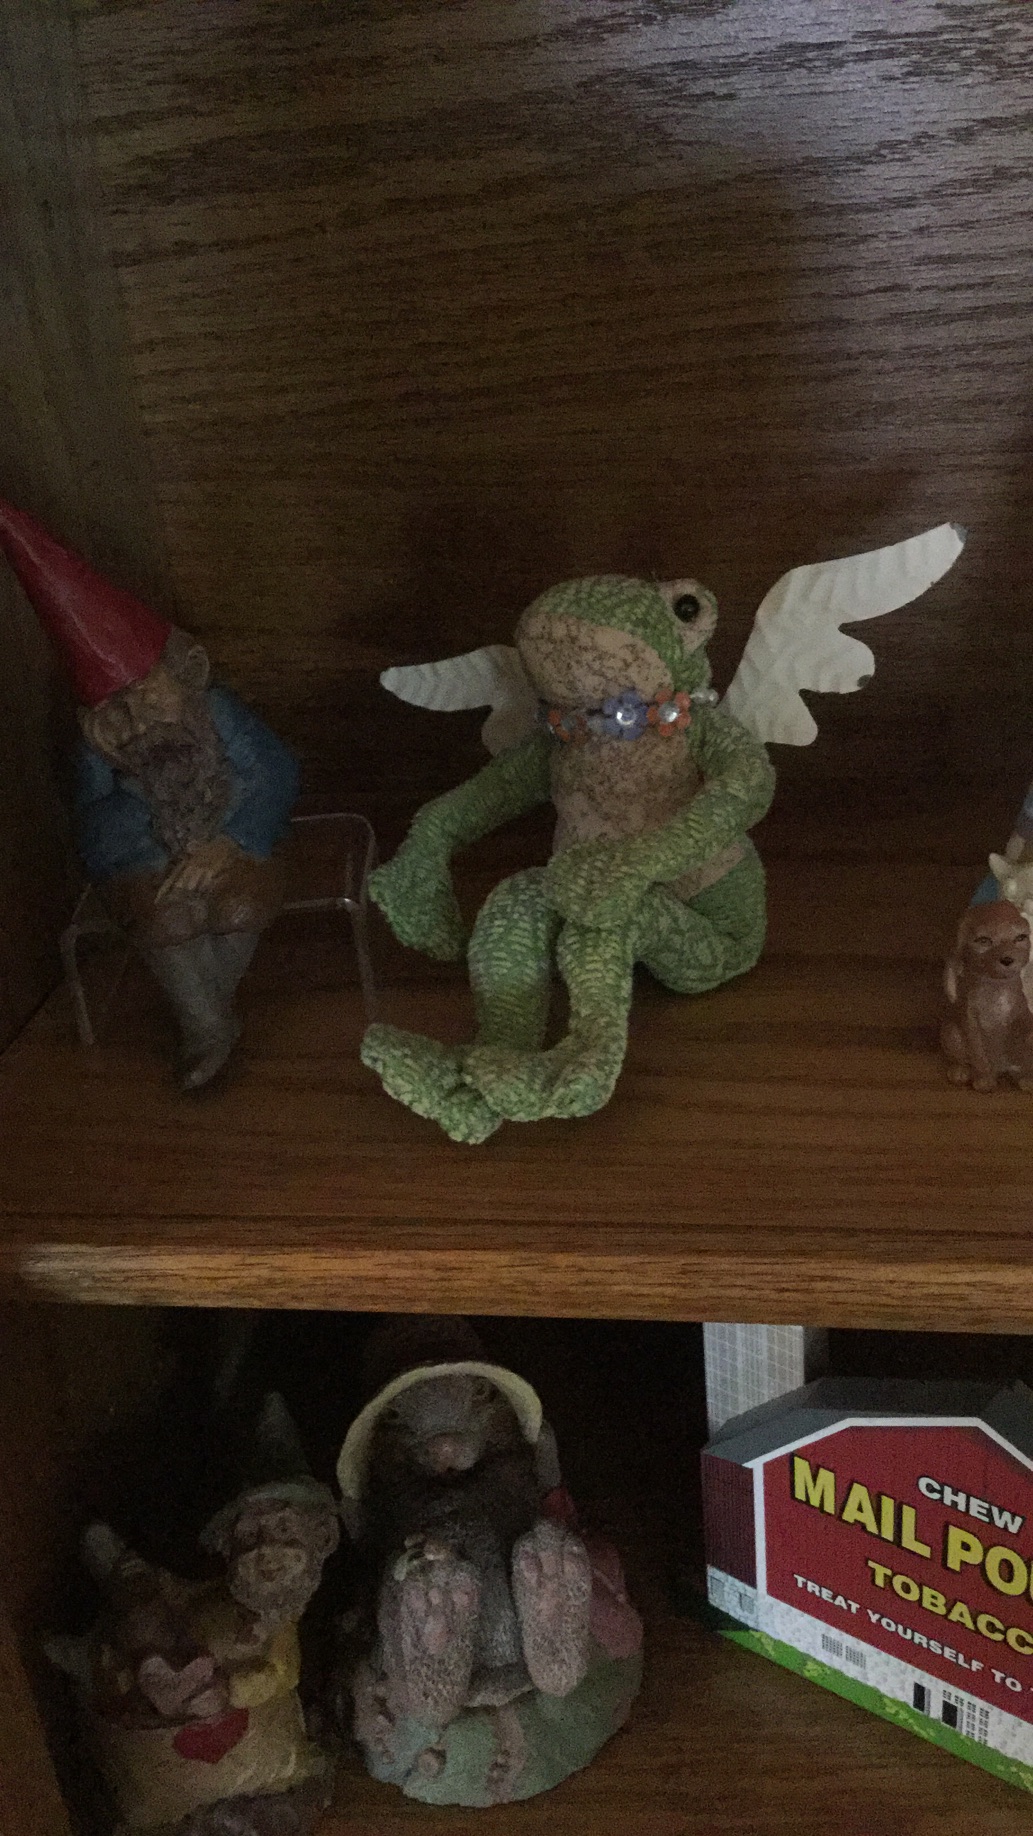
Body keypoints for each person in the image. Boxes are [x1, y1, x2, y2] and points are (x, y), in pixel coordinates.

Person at [0, 501, 298, 1087]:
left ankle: (206, 1025)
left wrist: (229, 841)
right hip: (147, 861)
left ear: (185, 671)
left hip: (233, 845)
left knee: (238, 907)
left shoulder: (217, 713)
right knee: (166, 921)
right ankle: (210, 1028)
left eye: (148, 693)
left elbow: (274, 770)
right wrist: (147, 829)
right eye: (118, 707)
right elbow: (92, 827)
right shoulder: (101, 748)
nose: (139, 718)